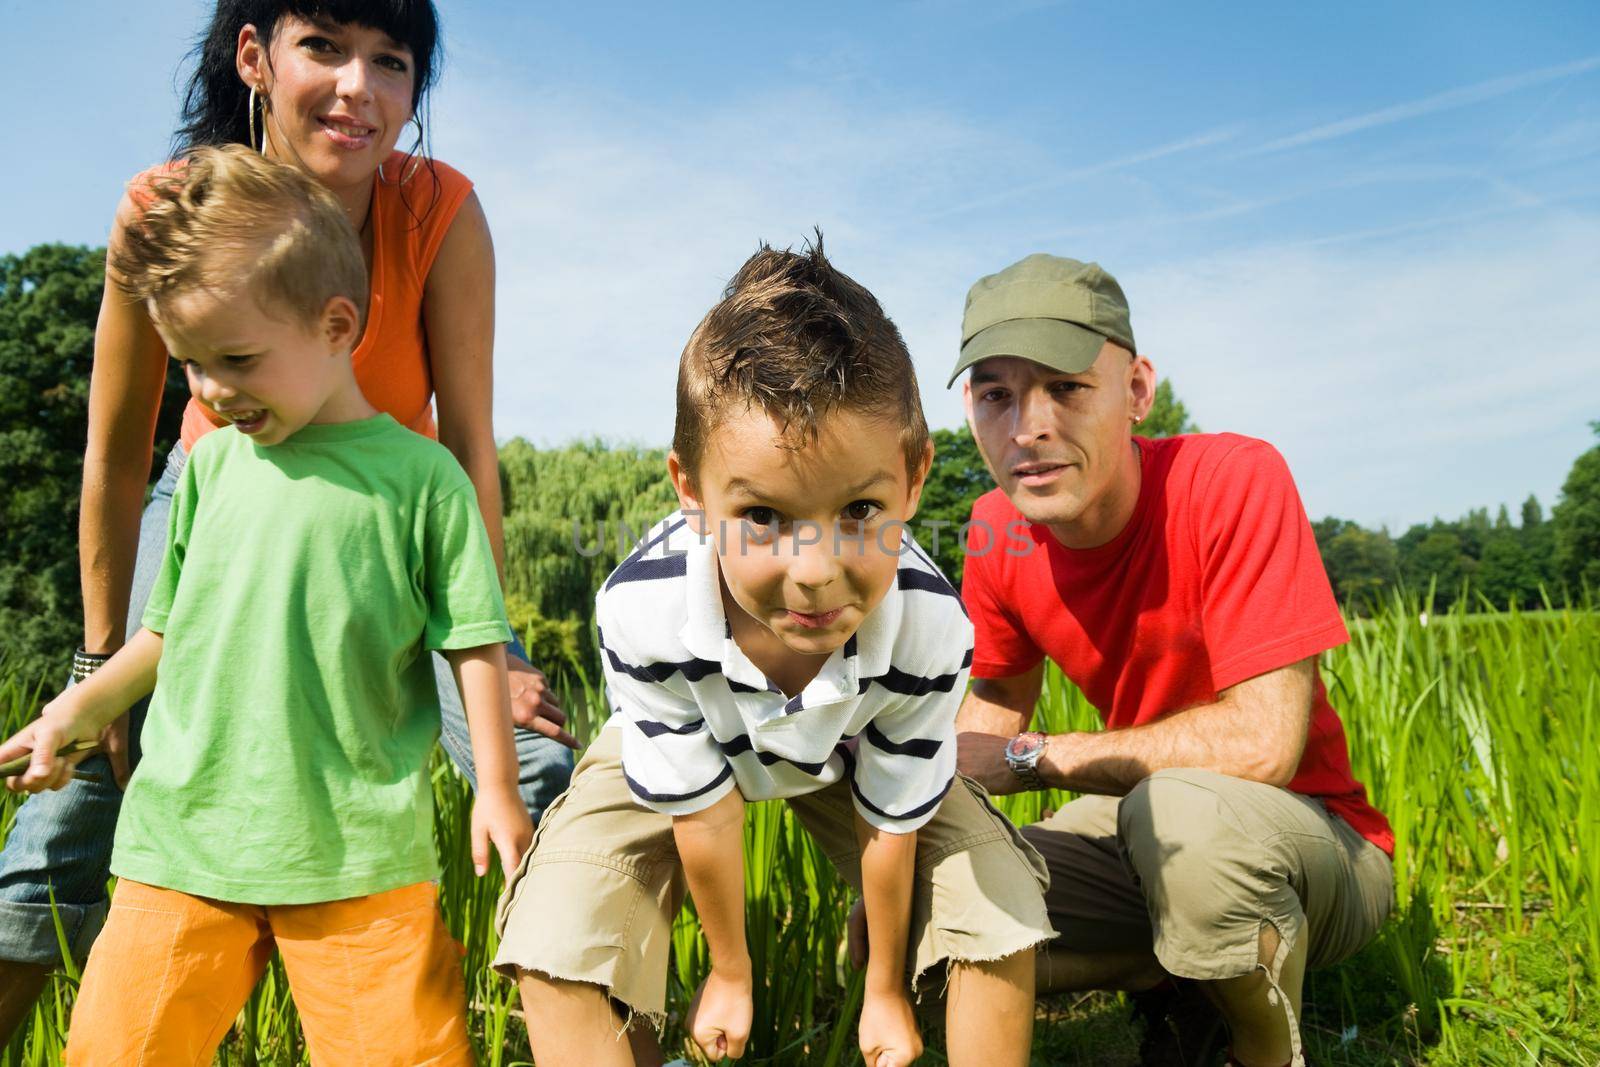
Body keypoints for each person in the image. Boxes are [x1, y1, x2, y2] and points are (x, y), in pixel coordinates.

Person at [0, 0, 574, 1032]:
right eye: (326, 47)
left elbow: (469, 442)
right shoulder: (169, 209)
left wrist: (498, 643)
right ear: (256, 56)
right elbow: (117, 451)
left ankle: (606, 1041)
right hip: (220, 499)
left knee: (534, 758)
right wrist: (97, 665)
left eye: (391, 62)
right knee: (83, 781)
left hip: (391, 511)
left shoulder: (434, 208)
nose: (359, 87)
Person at [492, 239, 1052, 1067]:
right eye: (762, 517)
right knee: (558, 930)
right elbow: (702, 807)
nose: (816, 572)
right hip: (687, 739)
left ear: (915, 476)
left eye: (862, 507)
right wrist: (729, 970)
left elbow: (891, 819)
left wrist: (886, 988)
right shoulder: (642, 609)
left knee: (994, 901)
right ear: (690, 490)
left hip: (849, 748)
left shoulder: (930, 627)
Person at [947, 254, 1395, 1067]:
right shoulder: (995, 528)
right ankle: (1169, 974)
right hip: (1142, 822)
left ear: (1137, 390)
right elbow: (991, 712)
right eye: (995, 394)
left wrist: (1034, 757)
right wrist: (906, 797)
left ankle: (1258, 1048)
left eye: (1067, 388)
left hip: (1319, 843)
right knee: (933, 887)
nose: (1027, 427)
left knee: (1180, 812)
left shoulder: (1231, 479)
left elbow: (1263, 743)